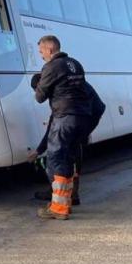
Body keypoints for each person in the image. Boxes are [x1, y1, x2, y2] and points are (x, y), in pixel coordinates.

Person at [28, 35, 91, 220]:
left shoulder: (51, 66)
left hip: (65, 117)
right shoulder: (75, 64)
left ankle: (59, 208)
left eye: (41, 52)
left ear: (49, 49)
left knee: (56, 160)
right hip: (82, 117)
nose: (41, 56)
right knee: (69, 158)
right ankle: (66, 202)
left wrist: (39, 83)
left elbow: (40, 96)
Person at [29, 80, 105, 206]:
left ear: (41, 86)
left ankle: (62, 197)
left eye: (37, 90)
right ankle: (71, 194)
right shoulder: (63, 84)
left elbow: (53, 124)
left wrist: (39, 150)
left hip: (81, 116)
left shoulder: (59, 91)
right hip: (89, 114)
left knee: (58, 156)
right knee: (72, 151)